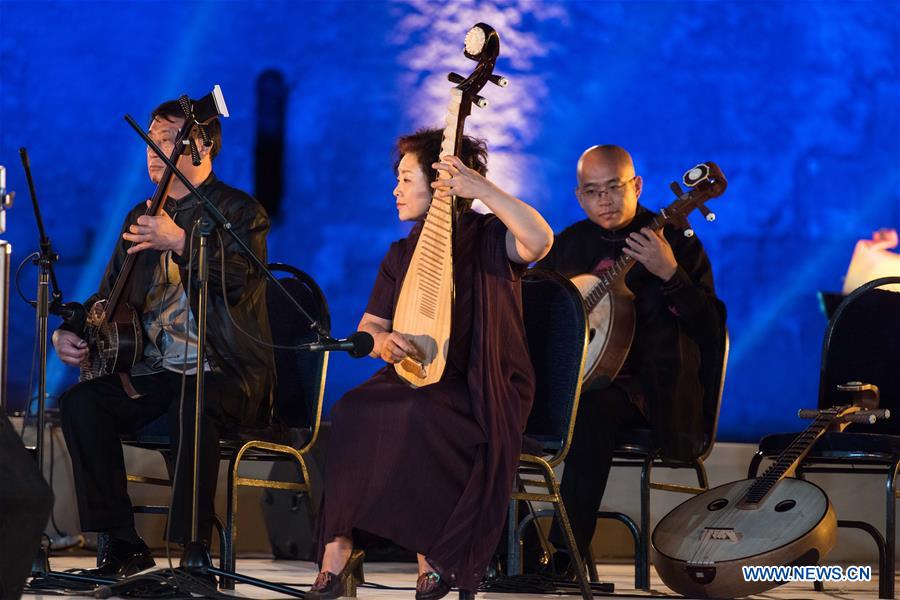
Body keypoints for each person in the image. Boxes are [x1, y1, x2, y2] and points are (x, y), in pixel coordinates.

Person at [309, 128, 553, 600]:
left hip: (479, 385)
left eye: (406, 179)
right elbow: (370, 328)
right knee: (352, 408)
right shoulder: (401, 253)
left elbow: (540, 240)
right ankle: (336, 550)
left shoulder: (489, 238)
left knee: (421, 414)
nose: (395, 190)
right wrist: (383, 343)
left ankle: (433, 554)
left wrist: (481, 189)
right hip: (414, 377)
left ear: (441, 184)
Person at [53, 98, 274, 578]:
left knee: (193, 400)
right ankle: (123, 543)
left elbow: (242, 279)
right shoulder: (143, 213)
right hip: (159, 371)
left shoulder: (239, 210)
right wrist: (72, 330)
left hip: (226, 369)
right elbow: (110, 293)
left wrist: (180, 241)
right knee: (82, 403)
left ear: (201, 147)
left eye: (166, 140)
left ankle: (193, 551)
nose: (153, 152)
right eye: (149, 141)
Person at [534, 144, 725, 574]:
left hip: (653, 394)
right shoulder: (568, 245)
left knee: (592, 410)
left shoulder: (673, 240)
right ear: (579, 196)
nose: (604, 199)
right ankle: (507, 550)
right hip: (581, 387)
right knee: (497, 401)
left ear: (636, 186)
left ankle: (565, 557)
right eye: (592, 191)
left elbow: (711, 332)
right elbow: (541, 317)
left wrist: (670, 273)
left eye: (614, 187)